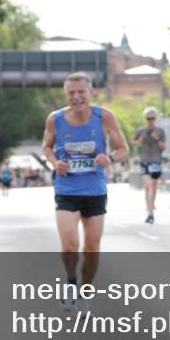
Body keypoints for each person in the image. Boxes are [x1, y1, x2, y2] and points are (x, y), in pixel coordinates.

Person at [43, 72, 128, 309]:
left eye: (81, 92)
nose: (76, 97)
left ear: (91, 92)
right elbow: (46, 146)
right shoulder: (55, 119)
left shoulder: (104, 117)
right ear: (66, 94)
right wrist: (54, 162)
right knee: (70, 245)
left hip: (95, 189)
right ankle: (71, 282)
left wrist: (109, 157)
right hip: (67, 188)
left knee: (92, 247)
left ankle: (86, 291)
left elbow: (123, 149)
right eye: (71, 93)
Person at [133, 107, 167, 223]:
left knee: (153, 187)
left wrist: (157, 139)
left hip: (156, 161)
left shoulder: (160, 131)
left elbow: (163, 147)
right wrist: (139, 141)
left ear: (156, 118)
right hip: (145, 161)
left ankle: (151, 210)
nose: (150, 120)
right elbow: (134, 142)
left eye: (152, 118)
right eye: (148, 118)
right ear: (145, 118)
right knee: (147, 186)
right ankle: (149, 210)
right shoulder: (141, 130)